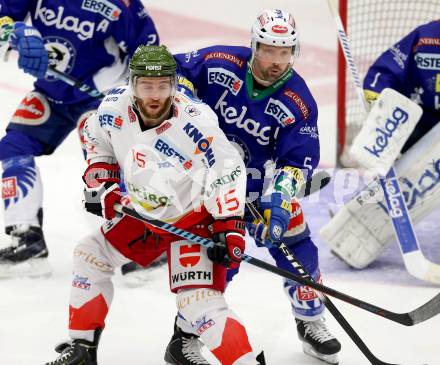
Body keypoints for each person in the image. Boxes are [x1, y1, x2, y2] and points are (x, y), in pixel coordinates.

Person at [44, 44, 265, 365]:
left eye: (163, 85)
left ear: (174, 86)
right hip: (144, 211)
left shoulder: (196, 121)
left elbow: (228, 168)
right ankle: (82, 350)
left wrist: (229, 228)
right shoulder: (113, 108)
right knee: (90, 255)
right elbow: (94, 137)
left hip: (193, 220)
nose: (155, 95)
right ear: (133, 84)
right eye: (147, 86)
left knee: (198, 302)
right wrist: (101, 184)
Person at [159, 9, 340, 365]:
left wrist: (280, 202)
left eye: (284, 52)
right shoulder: (220, 61)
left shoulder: (298, 101)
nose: (276, 61)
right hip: (202, 185)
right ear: (254, 45)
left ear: (295, 51)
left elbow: (296, 161)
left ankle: (309, 319)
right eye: (269, 50)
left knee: (297, 243)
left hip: (255, 188)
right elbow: (172, 67)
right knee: (223, 260)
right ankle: (183, 337)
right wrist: (186, 100)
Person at [0, 0, 159, 277]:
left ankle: (142, 238)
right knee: (14, 147)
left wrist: (130, 92)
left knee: (102, 158)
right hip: (52, 94)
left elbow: (150, 54)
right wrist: (15, 34)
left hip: (102, 97)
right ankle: (27, 241)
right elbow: (4, 18)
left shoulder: (121, 5)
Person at [320, 20, 440, 271]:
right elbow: (385, 71)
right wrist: (379, 103)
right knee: (402, 167)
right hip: (421, 120)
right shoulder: (427, 38)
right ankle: (355, 226)